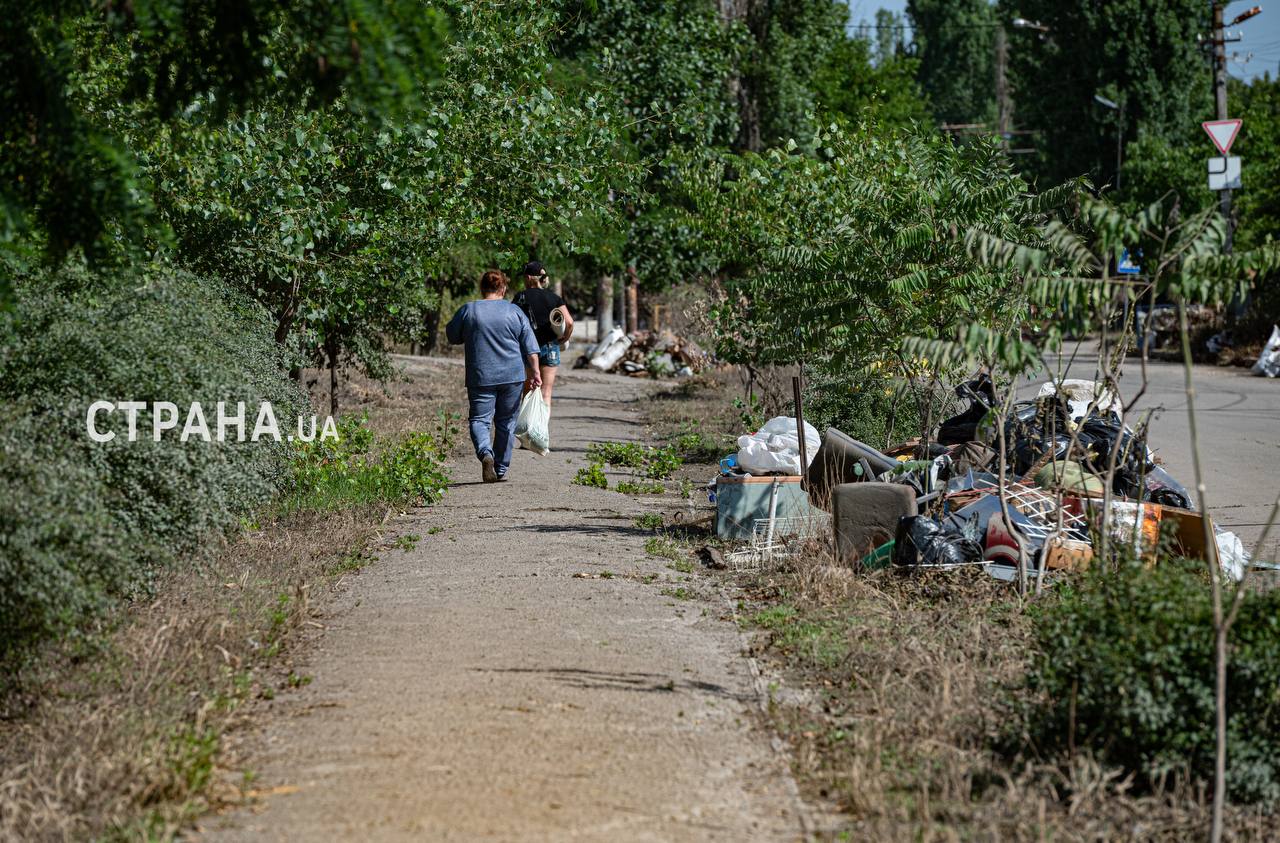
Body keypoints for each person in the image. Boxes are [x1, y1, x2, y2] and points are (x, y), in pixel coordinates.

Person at [446, 270, 541, 483]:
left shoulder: (469, 310)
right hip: (512, 376)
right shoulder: (514, 311)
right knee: (506, 421)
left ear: (482, 288)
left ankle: (485, 453)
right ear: (504, 288)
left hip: (481, 376)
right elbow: (530, 348)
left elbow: (452, 335)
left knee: (480, 420)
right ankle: (500, 469)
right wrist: (535, 372)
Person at [511, 260, 574, 406]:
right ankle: (542, 428)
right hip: (550, 346)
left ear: (527, 278)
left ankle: (527, 427)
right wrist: (564, 339)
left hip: (527, 349)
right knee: (546, 392)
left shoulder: (520, 297)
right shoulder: (553, 298)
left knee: (527, 390)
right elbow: (569, 322)